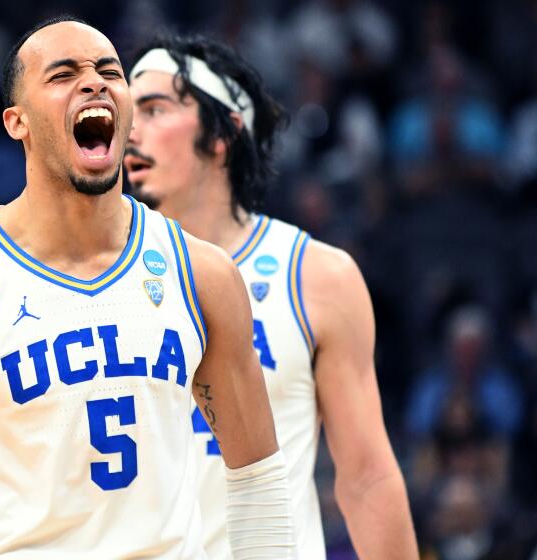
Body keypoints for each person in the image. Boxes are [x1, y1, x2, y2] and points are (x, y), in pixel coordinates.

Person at [0, 17, 296, 559]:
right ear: (17, 123)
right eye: (63, 74)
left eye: (110, 71)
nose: (95, 82)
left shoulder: (202, 276)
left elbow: (258, 482)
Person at [125, 34, 418, 559]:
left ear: (223, 135)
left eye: (154, 109)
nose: (129, 130)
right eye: (128, 111)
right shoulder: (81, 278)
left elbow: (366, 477)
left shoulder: (316, 275)